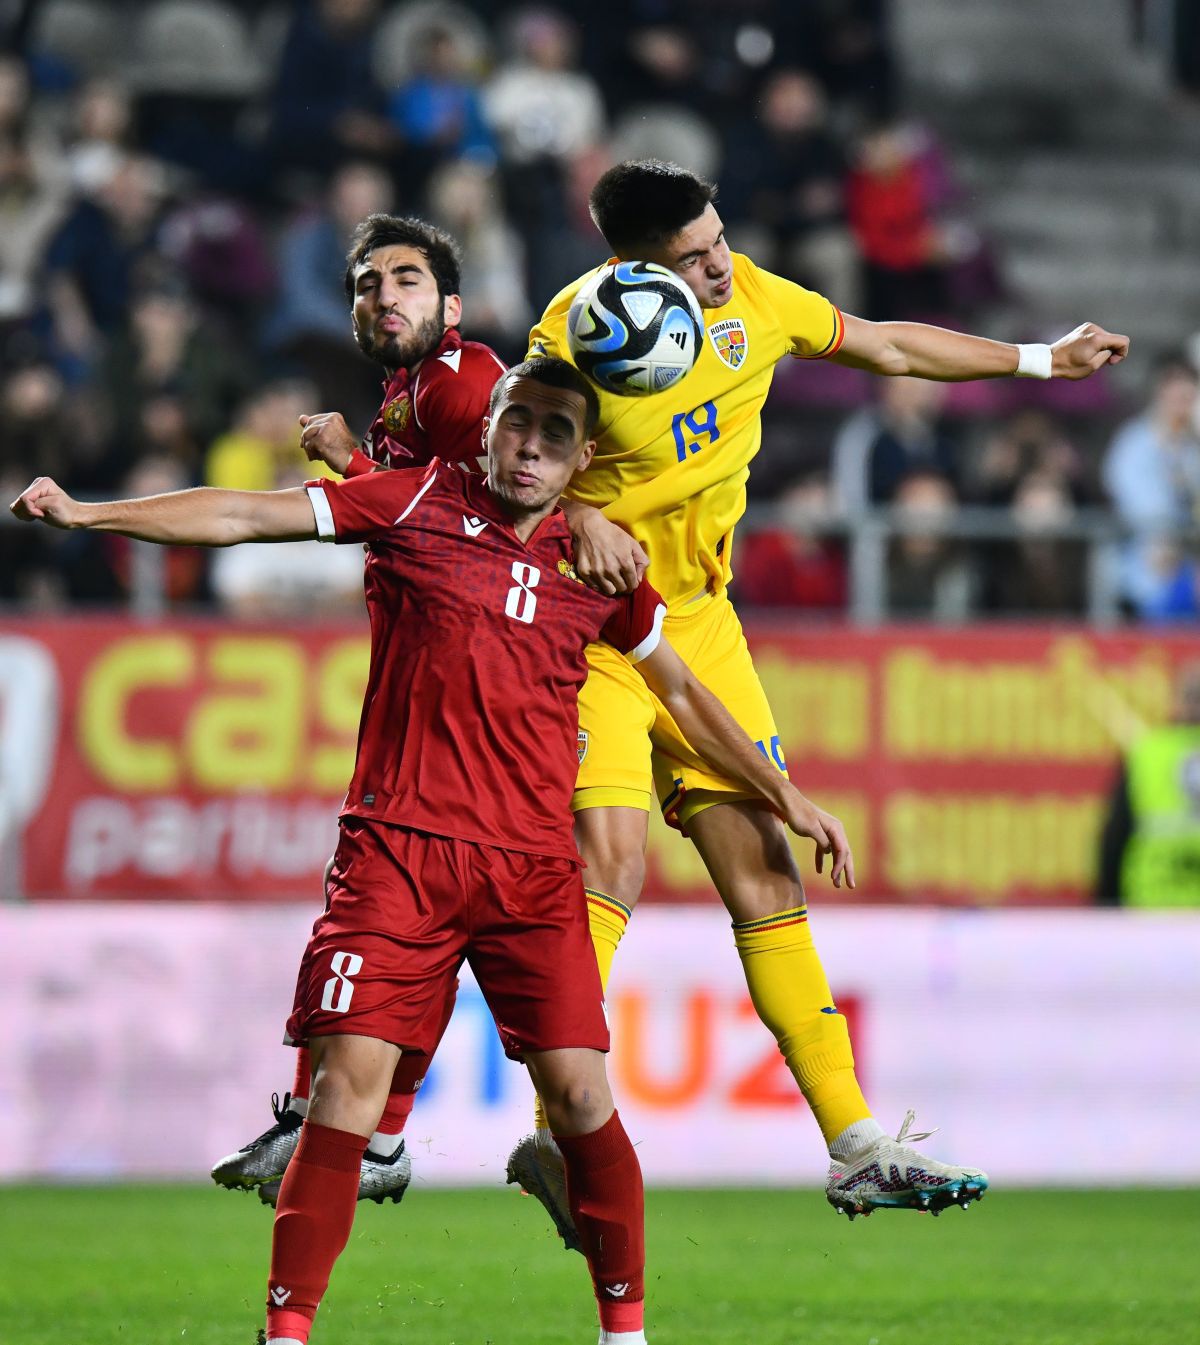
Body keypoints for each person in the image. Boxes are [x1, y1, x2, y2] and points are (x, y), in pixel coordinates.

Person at [12, 355, 856, 1345]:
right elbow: (246, 514)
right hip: (397, 858)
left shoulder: (605, 566)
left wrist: (784, 793)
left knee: (581, 1095)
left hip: (533, 873)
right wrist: (88, 513)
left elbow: (682, 694)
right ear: (488, 427)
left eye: (554, 432)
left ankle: (625, 1336)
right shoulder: (413, 499)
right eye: (516, 422)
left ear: (584, 458)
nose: (530, 444)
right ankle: (287, 1335)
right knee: (346, 1090)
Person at [513, 158, 1125, 1232]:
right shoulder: (577, 338)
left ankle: (853, 1144)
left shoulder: (753, 295)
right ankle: (556, 1125)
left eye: (716, 240)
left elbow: (886, 341)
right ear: (630, 270)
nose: (718, 263)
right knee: (609, 856)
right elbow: (505, 467)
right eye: (692, 255)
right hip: (590, 629)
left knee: (764, 865)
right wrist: (576, 521)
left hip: (700, 620)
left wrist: (1042, 359)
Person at [210, 213, 649, 1210]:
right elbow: (445, 516)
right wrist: (357, 466)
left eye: (405, 281)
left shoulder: (460, 384)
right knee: (414, 913)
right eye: (366, 285)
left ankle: (382, 1134)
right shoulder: (403, 401)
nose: (383, 298)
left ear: (449, 307)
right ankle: (372, 1128)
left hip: (504, 688)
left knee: (441, 893)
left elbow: (508, 494)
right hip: (446, 679)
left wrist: (580, 509)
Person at [1096, 660, 1200, 907]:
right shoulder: (1146, 753)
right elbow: (1116, 836)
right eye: (1193, 696)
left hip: (1155, 906)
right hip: (1153, 911)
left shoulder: (1147, 752)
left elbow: (1114, 837)